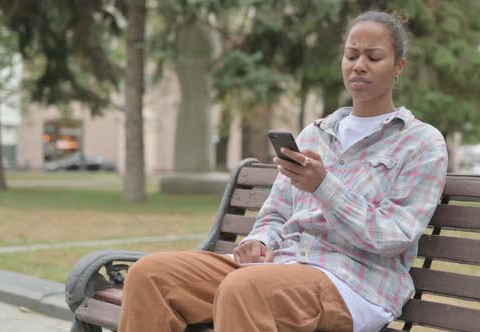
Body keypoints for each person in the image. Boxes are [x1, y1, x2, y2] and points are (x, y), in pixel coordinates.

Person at [118, 10, 448, 332]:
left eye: (373, 57)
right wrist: (259, 240)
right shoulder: (315, 134)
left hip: (356, 284)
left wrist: (324, 187)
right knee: (151, 275)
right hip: (281, 266)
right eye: (351, 55)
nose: (358, 65)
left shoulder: (421, 143)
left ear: (398, 66)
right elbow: (276, 213)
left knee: (245, 288)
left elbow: (393, 236)